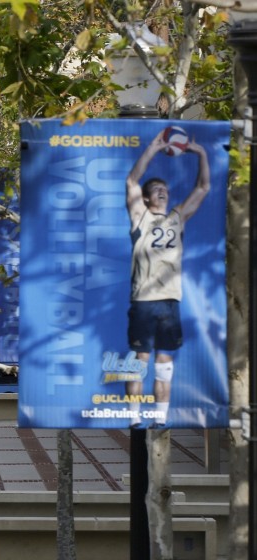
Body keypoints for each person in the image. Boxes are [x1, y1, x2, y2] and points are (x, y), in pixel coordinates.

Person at [124, 129, 210, 428]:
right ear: (147, 198)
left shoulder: (176, 217)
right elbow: (132, 181)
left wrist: (200, 153)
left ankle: (159, 420)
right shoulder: (141, 217)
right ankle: (134, 419)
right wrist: (152, 149)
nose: (163, 191)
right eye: (157, 188)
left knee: (164, 364)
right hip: (145, 300)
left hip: (170, 300)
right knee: (139, 361)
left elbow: (202, 187)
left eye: (165, 188)